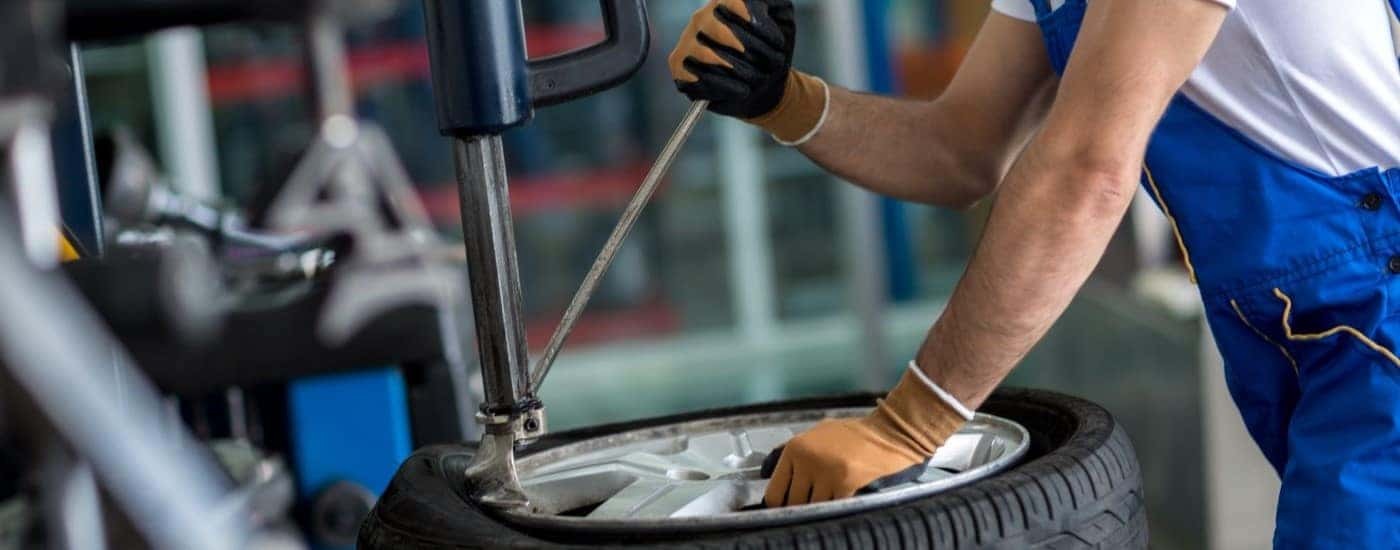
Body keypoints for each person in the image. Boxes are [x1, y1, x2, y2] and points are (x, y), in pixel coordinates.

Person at [669, 0, 1400, 546]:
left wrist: (908, 425)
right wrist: (783, 100)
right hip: (1303, 330)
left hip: (1379, 311)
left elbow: (1087, 168)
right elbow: (961, 150)